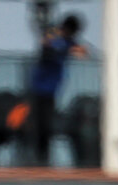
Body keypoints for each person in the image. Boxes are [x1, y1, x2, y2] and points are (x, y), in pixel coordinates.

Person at [27, 14, 87, 166]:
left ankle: (43, 156)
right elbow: (47, 49)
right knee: (41, 125)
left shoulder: (67, 41)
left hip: (51, 89)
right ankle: (39, 158)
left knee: (47, 125)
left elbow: (82, 52)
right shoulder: (55, 37)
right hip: (40, 88)